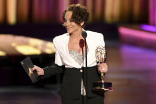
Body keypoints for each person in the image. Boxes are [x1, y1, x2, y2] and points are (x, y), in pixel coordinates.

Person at [32, 4, 108, 104]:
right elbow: (59, 67)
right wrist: (43, 71)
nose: (66, 24)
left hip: (94, 93)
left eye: (71, 20)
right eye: (65, 20)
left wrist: (103, 67)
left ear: (82, 21)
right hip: (70, 94)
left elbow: (101, 61)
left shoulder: (97, 37)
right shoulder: (59, 40)